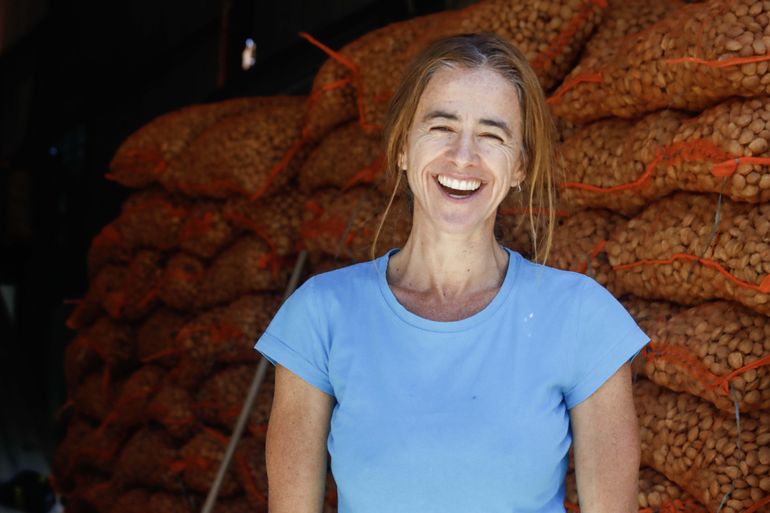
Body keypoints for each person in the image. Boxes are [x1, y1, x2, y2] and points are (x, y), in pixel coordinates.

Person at [255, 33, 650, 513]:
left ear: (520, 165)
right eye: (442, 127)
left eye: (492, 134)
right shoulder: (321, 316)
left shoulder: (583, 318)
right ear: (403, 146)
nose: (464, 157)